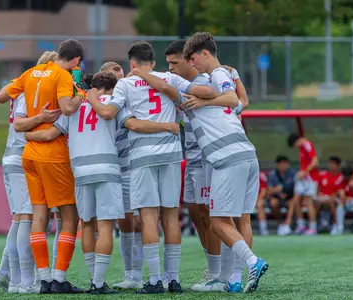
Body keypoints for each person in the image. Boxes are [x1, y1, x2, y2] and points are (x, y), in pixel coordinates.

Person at [85, 41, 213, 294]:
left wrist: (90, 97)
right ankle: (172, 279)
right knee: (170, 215)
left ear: (131, 63)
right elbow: (197, 92)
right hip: (172, 154)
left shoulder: (125, 83)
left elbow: (115, 116)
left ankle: (154, 280)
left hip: (142, 155)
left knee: (148, 217)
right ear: (153, 63)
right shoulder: (169, 78)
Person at [156, 39, 247, 292]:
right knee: (197, 213)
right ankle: (215, 268)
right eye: (168, 63)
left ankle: (222, 273)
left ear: (190, 60)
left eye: (175, 62)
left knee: (215, 215)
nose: (171, 68)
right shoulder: (184, 83)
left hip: (212, 156)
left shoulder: (210, 80)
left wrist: (215, 94)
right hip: (193, 155)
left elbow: (238, 103)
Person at [23, 72, 128, 294]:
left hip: (80, 171)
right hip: (106, 168)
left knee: (87, 224)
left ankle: (93, 279)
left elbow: (51, 134)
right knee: (106, 226)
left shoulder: (74, 106)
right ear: (111, 88)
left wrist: (28, 137)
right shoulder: (113, 101)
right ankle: (98, 283)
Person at [181, 31, 269, 293]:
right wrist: (232, 81)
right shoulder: (220, 79)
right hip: (246, 154)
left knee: (218, 222)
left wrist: (203, 99)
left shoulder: (216, 75)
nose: (190, 63)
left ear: (205, 53)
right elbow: (241, 102)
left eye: (192, 58)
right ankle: (235, 279)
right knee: (241, 220)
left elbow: (231, 99)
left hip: (226, 158)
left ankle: (252, 263)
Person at [0, 38, 86, 294]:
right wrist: (79, 93)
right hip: (52, 155)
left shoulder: (29, 73)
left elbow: (2, 96)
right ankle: (57, 278)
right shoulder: (62, 76)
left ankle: (42, 278)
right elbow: (67, 108)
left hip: (29, 155)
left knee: (36, 216)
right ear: (77, 61)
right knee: (69, 216)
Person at [0, 51, 59, 294]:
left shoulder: (22, 85)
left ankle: (9, 275)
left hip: (14, 157)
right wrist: (41, 118)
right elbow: (20, 123)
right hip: (20, 158)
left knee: (20, 218)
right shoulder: (29, 90)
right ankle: (22, 281)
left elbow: (1, 96)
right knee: (26, 219)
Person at [99, 61, 144, 290]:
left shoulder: (132, 96)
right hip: (108, 167)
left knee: (137, 220)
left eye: (120, 78)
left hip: (131, 166)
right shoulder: (99, 103)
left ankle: (139, 274)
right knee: (122, 222)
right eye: (113, 79)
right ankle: (130, 275)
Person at [287, 133, 319, 235]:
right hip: (303, 178)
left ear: (296, 141)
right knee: (296, 201)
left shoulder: (306, 144)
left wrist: (305, 172)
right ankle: (301, 225)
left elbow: (315, 161)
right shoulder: (301, 148)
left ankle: (313, 227)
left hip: (309, 178)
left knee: (308, 202)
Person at [261, 155, 296, 236]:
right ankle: (281, 224)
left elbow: (295, 188)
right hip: (276, 197)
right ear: (278, 165)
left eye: (286, 164)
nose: (284, 166)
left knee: (293, 202)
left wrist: (285, 193)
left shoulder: (292, 173)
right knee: (273, 203)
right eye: (282, 164)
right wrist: (278, 191)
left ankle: (287, 225)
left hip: (289, 197)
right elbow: (269, 191)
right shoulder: (272, 174)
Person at [316, 156, 342, 235]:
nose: (331, 165)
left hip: (335, 199)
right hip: (323, 197)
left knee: (331, 202)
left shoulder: (341, 177)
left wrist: (331, 196)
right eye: (330, 163)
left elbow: (340, 191)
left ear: (338, 166)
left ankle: (335, 225)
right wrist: (318, 195)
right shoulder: (322, 175)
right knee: (315, 202)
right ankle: (314, 225)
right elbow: (318, 188)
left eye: (333, 164)